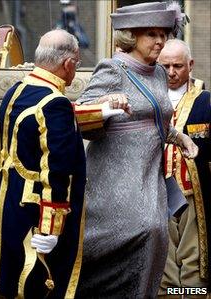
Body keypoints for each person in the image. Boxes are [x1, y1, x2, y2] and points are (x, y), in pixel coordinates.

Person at [0, 29, 125, 299]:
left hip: (8, 200)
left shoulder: (19, 90)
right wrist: (52, 228)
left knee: (5, 280)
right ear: (69, 64)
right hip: (36, 212)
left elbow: (39, 123)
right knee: (36, 285)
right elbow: (57, 171)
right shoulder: (55, 103)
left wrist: (100, 112)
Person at [74, 2, 198, 299]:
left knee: (155, 238)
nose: (160, 41)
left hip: (149, 179)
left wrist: (181, 138)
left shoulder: (156, 73)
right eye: (151, 34)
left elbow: (156, 120)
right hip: (115, 179)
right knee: (142, 231)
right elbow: (79, 116)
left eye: (164, 34)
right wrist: (107, 105)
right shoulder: (112, 69)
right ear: (131, 36)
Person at [158, 39, 211, 297]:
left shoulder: (206, 101)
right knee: (163, 264)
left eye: (177, 66)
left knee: (194, 264)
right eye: (165, 66)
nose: (171, 72)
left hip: (193, 197)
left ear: (190, 65)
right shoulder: (150, 98)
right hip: (157, 194)